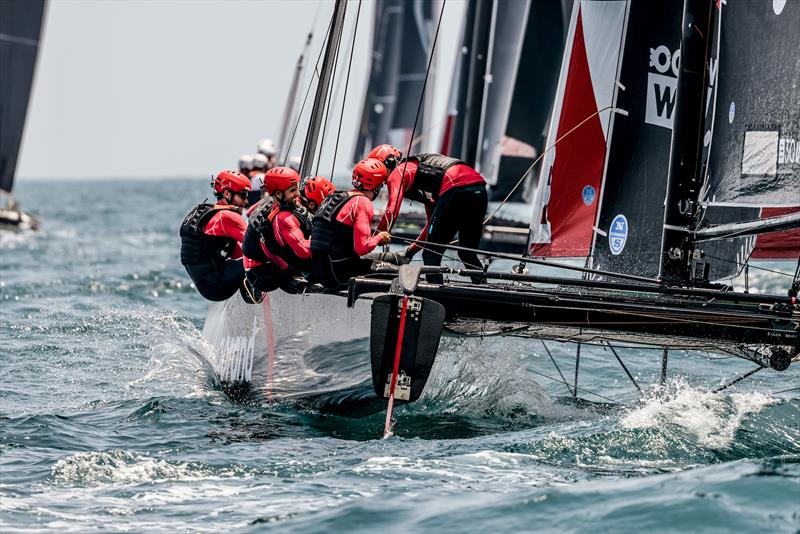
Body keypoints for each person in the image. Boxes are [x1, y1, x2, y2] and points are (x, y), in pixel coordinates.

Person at [369, 144, 488, 283]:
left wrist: (374, 237)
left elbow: (392, 211)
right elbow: (432, 223)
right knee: (467, 254)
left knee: (431, 255)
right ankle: (485, 291)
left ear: (387, 163)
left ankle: (436, 297)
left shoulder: (398, 172)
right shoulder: (426, 177)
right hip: (479, 190)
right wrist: (411, 251)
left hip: (456, 189)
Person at [310, 158, 392, 289]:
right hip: (339, 274)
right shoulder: (362, 202)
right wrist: (379, 237)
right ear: (377, 185)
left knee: (389, 260)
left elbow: (338, 234)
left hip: (320, 273)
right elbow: (362, 248)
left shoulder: (334, 198)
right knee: (399, 272)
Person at [242, 167, 317, 294]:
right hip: (262, 276)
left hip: (258, 267)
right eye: (293, 190)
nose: (297, 193)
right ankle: (291, 283)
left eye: (297, 188)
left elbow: (250, 212)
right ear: (278, 194)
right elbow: (304, 252)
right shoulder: (282, 218)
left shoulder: (271, 202)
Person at [180, 170, 252, 301]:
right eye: (242, 195)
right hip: (215, 285)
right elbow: (256, 245)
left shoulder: (210, 211)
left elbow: (238, 253)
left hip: (207, 285)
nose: (246, 201)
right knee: (263, 257)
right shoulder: (228, 216)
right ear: (227, 194)